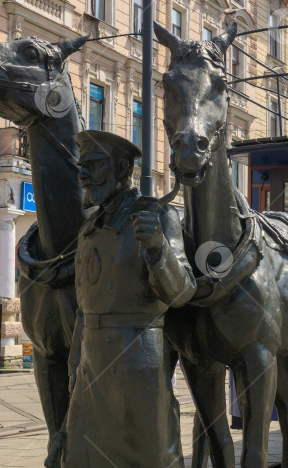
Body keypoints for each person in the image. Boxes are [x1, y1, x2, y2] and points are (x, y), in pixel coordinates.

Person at [58, 130, 195, 467]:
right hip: (91, 364)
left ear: (121, 168)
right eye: (82, 166)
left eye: (93, 164)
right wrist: (75, 368)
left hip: (138, 363)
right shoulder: (89, 228)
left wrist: (157, 248)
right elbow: (83, 311)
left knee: (147, 456)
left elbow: (182, 292)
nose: (84, 173)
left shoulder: (158, 216)